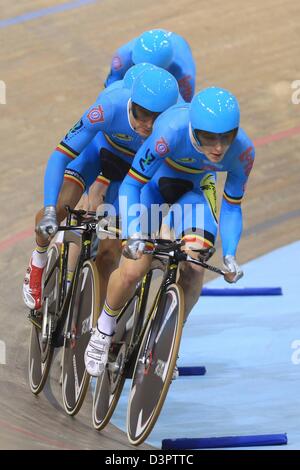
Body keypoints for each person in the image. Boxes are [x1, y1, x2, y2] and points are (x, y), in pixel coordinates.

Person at [84, 86, 255, 377]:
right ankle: (103, 329)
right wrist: (136, 233)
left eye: (226, 137)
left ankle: (168, 338)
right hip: (151, 186)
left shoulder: (243, 152)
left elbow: (231, 206)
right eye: (209, 138)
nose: (218, 147)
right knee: (134, 269)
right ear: (193, 129)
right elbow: (132, 185)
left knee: (195, 265)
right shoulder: (169, 134)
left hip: (195, 192)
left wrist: (229, 255)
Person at [22, 67, 179, 311]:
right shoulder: (109, 106)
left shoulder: (174, 127)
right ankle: (38, 258)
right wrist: (51, 209)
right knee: (62, 205)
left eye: (155, 118)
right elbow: (60, 155)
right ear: (131, 103)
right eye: (141, 114)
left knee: (109, 254)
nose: (147, 125)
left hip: (131, 174)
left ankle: (94, 326)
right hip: (97, 152)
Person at [104, 29, 196, 102]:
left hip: (178, 46)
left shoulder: (184, 75)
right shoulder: (122, 57)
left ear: (167, 68)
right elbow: (111, 89)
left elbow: (180, 110)